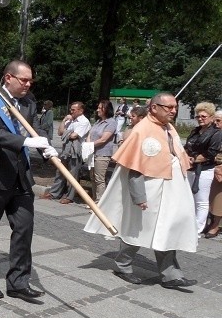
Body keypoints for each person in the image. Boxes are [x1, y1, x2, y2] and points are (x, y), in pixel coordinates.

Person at [84, 93, 198, 289]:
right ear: (154, 108)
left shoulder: (169, 128)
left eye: (175, 107)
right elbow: (134, 167)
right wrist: (139, 197)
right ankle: (123, 266)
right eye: (168, 107)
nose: (173, 110)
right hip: (148, 191)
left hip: (170, 190)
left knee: (167, 230)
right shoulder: (142, 130)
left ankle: (171, 275)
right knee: (136, 231)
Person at [0, 60, 57, 301]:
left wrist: (46, 148)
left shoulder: (29, 102)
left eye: (31, 80)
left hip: (21, 176)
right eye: (24, 80)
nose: (28, 84)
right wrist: (24, 143)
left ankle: (18, 281)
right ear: (8, 78)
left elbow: (34, 130)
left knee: (24, 227)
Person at [41, 101, 91, 204]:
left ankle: (69, 196)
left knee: (73, 174)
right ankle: (55, 193)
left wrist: (67, 132)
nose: (71, 111)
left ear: (81, 111)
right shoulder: (70, 120)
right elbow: (60, 132)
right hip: (65, 150)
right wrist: (64, 120)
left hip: (75, 151)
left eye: (73, 109)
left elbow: (74, 136)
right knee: (60, 171)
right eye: (71, 109)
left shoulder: (84, 121)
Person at [184, 102, 221, 233]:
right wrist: (185, 157)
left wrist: (193, 159)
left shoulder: (216, 133)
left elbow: (210, 154)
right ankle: (189, 226)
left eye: (203, 116)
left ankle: (197, 229)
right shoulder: (195, 131)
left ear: (211, 117)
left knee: (201, 201)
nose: (200, 118)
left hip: (204, 170)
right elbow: (187, 147)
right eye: (198, 116)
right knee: (189, 199)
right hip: (190, 168)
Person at [85, 100, 117, 202]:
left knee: (99, 179)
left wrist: (89, 145)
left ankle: (100, 202)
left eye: (100, 108)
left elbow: (104, 139)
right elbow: (90, 134)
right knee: (92, 178)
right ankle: (94, 200)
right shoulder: (98, 121)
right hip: (92, 153)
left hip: (102, 154)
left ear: (106, 109)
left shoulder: (111, 122)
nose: (97, 110)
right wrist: (88, 144)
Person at [204, 111, 222, 238]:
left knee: (217, 197)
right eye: (214, 120)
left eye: (219, 121)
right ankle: (206, 221)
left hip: (219, 169)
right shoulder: (212, 133)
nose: (216, 123)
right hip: (209, 167)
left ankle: (215, 224)